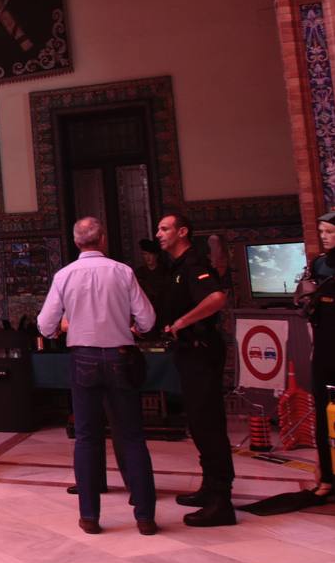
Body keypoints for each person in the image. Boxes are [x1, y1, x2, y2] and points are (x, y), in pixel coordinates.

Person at [39, 217, 158, 535]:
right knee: (132, 437)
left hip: (84, 359)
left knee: (87, 438)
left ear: (76, 242)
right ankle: (145, 517)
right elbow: (147, 320)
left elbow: (45, 324)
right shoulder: (123, 272)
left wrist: (66, 325)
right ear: (102, 239)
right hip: (120, 357)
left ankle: (90, 516)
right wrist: (130, 326)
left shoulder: (64, 275)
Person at [158, 211, 235, 527]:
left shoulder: (193, 264)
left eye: (165, 229)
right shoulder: (176, 267)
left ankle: (221, 501)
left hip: (201, 351)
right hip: (188, 353)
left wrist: (182, 322)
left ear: (182, 232)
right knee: (199, 423)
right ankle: (210, 487)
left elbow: (217, 298)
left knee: (209, 424)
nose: (159, 234)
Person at [296, 210, 335, 502]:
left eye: (330, 232)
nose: (324, 237)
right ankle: (326, 476)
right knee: (323, 412)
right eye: (321, 232)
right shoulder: (319, 264)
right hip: (324, 347)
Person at [132, 238, 168, 337]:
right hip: (145, 313)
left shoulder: (166, 272)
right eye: (144, 254)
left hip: (162, 313)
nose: (147, 258)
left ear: (156, 255)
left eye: (150, 254)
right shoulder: (139, 273)